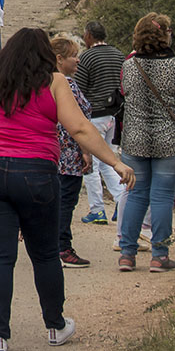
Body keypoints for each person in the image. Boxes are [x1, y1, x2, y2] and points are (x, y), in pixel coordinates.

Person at [0, 27, 135, 351]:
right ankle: (55, 326)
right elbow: (79, 127)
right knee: (44, 254)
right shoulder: (53, 82)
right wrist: (114, 162)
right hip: (36, 172)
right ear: (45, 53)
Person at [117, 13, 175, 273]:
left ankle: (127, 254)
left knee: (136, 194)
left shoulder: (129, 66)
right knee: (162, 196)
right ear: (165, 35)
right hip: (168, 139)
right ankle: (159, 255)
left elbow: (124, 94)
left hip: (135, 139)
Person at [76, 21, 125, 226]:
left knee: (91, 164)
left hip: (95, 114)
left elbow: (79, 89)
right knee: (109, 160)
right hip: (115, 115)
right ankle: (122, 202)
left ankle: (97, 209)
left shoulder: (86, 57)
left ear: (88, 36)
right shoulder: (119, 55)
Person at [51, 36, 93, 269]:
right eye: (73, 56)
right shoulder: (67, 85)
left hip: (51, 153)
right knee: (66, 202)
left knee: (54, 201)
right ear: (59, 59)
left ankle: (52, 244)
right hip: (69, 155)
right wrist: (86, 151)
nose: (78, 60)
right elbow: (79, 121)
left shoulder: (43, 82)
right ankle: (63, 247)